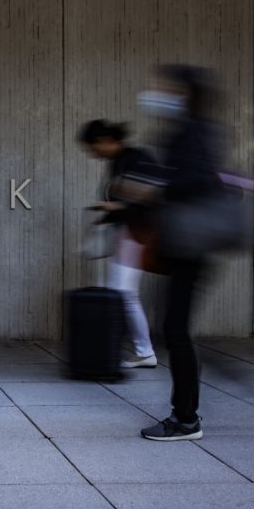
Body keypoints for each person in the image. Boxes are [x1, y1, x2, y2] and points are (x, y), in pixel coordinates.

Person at [126, 65, 225, 442]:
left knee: (175, 329)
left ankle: (186, 420)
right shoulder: (190, 128)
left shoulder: (192, 131)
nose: (154, 92)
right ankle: (186, 413)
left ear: (182, 92)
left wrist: (154, 190)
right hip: (185, 245)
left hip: (190, 246)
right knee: (172, 327)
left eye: (162, 87)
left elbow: (200, 180)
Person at [78, 120, 158, 369]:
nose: (92, 153)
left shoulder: (136, 158)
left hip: (137, 233)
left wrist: (113, 206)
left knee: (123, 293)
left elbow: (149, 197)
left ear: (104, 140)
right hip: (127, 233)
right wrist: (108, 214)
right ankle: (133, 349)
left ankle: (143, 351)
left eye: (92, 147)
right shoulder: (119, 162)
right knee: (120, 292)